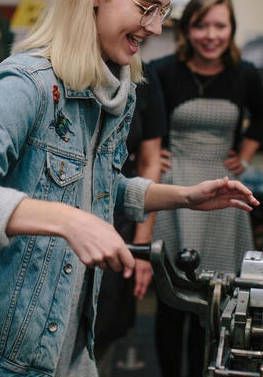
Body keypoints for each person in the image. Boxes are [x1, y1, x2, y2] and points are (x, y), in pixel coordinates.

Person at [0, 0, 259, 376]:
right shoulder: (27, 84)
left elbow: (93, 185)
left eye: (163, 11)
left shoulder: (117, 90)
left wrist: (182, 197)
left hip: (65, 342)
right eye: (146, 8)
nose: (154, 27)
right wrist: (65, 219)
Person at [150, 0, 263, 377]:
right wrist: (155, 157)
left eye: (220, 25)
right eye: (201, 25)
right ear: (187, 29)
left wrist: (245, 155)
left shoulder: (245, 74)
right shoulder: (163, 70)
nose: (210, 34)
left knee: (217, 303)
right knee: (172, 300)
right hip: (175, 190)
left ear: (232, 29)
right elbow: (145, 128)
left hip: (222, 194)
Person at [93, 62, 166, 377]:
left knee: (104, 331)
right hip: (61, 226)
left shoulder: (143, 77)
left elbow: (150, 162)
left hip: (119, 219)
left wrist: (142, 244)